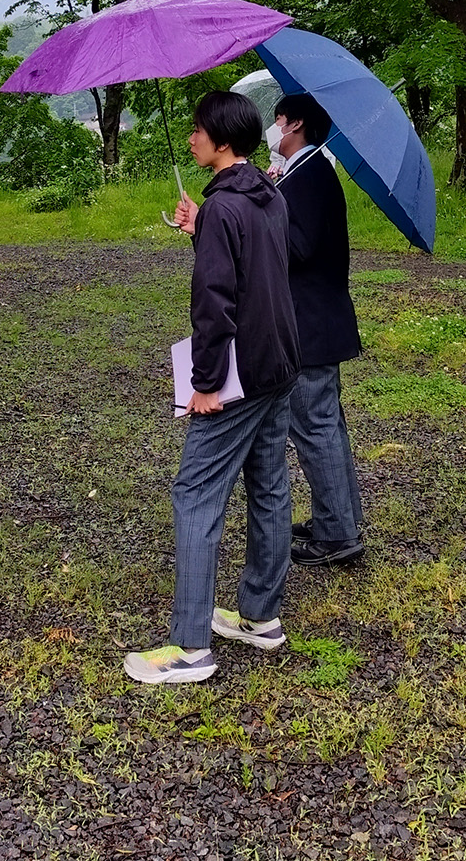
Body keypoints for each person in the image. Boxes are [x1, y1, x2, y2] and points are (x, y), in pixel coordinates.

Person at [125, 91, 303, 685]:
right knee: (269, 486)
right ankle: (260, 615)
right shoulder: (265, 192)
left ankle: (190, 646)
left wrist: (204, 384)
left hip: (241, 372)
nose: (193, 138)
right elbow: (254, 265)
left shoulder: (226, 208)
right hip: (280, 362)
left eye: (199, 130)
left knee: (194, 493)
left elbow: (215, 304)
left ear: (221, 140)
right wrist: (201, 231)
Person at [267, 93, 368, 569]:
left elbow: (298, 247)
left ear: (296, 124)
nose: (274, 130)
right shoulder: (303, 175)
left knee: (314, 427)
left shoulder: (308, 176)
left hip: (308, 324)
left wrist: (270, 205)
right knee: (326, 425)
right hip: (318, 320)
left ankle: (337, 533)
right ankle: (340, 516)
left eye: (278, 120)